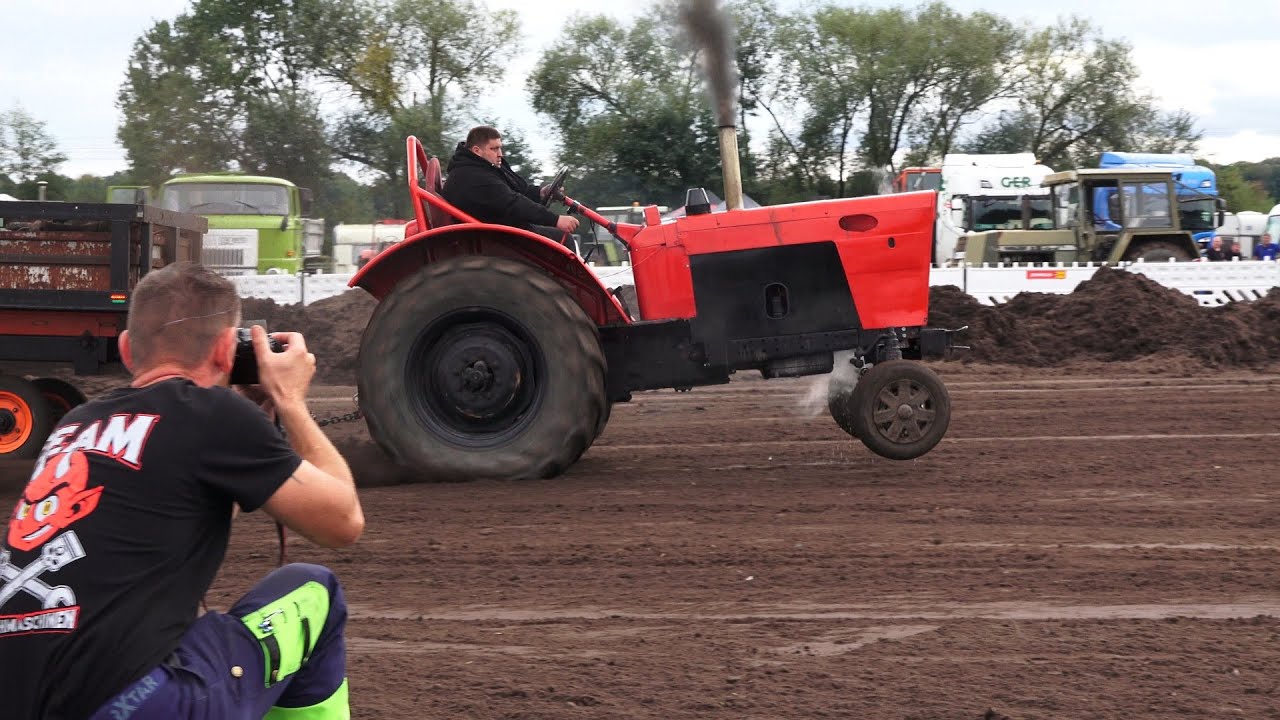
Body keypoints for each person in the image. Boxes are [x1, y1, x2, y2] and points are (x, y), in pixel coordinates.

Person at [0, 261, 365, 719]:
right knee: (316, 591)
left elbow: (186, 518)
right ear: (225, 351)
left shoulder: (74, 425)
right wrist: (290, 401)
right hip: (135, 704)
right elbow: (343, 522)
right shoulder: (208, 413)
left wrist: (254, 423)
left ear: (129, 349)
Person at [441, 125, 579, 243]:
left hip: (499, 229)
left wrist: (541, 192)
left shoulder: (486, 168)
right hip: (493, 236)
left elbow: (519, 189)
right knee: (564, 239)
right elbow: (512, 202)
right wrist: (555, 220)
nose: (500, 154)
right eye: (494, 149)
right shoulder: (472, 176)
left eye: (500, 148)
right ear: (477, 150)